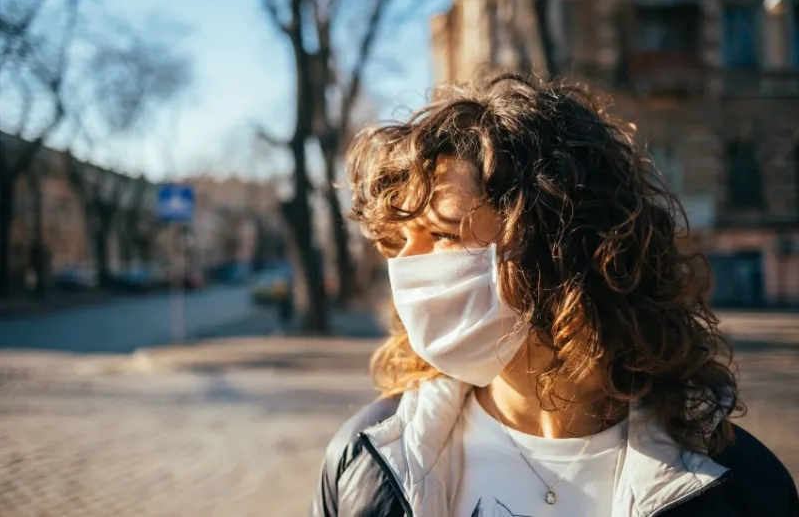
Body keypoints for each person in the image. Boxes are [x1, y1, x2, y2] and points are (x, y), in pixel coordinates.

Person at [311, 73, 798, 517]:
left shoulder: (742, 490)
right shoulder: (366, 461)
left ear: (561, 247)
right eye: (399, 241)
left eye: (442, 234)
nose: (406, 265)